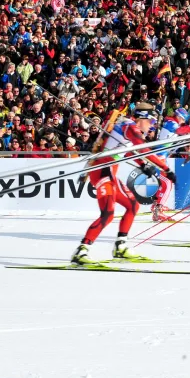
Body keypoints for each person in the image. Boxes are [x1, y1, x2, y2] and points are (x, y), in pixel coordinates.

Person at [73, 102, 171, 264]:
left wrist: (143, 165)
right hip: (103, 171)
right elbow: (142, 148)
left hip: (108, 171)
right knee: (108, 214)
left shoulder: (127, 126)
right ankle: (82, 250)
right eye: (151, 122)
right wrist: (166, 168)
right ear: (142, 118)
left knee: (132, 205)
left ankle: (121, 246)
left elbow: (131, 151)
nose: (152, 126)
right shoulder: (130, 127)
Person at [151, 107, 190, 222]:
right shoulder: (171, 124)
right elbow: (180, 131)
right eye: (183, 119)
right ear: (179, 117)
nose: (183, 122)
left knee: (165, 183)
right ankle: (158, 211)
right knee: (167, 183)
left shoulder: (172, 124)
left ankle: (157, 205)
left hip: (162, 157)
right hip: (159, 157)